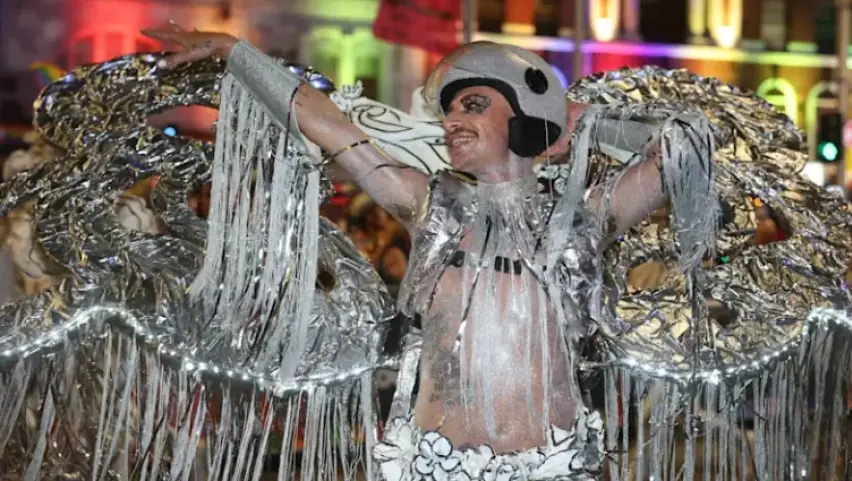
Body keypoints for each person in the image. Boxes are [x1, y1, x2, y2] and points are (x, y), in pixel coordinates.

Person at [142, 24, 714, 479]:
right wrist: (240, 54)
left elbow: (687, 145)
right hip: (433, 463)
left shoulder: (583, 218)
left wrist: (583, 124)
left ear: (522, 116)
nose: (452, 123)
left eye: (471, 104)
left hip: (554, 465)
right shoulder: (430, 205)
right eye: (449, 112)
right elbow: (333, 129)